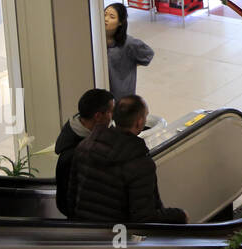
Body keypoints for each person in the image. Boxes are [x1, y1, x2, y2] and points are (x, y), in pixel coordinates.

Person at [70, 94, 187, 224]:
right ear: (139, 122)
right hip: (119, 237)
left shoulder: (84, 147)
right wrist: (179, 216)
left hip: (87, 233)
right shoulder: (140, 164)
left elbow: (71, 198)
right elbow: (144, 218)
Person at [54, 88, 114, 217]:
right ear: (98, 116)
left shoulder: (103, 133)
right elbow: (66, 202)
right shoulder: (71, 155)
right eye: (111, 112)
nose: (113, 116)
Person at [104, 2, 155, 101]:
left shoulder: (128, 43)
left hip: (121, 95)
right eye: (104, 14)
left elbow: (148, 54)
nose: (106, 19)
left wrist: (128, 65)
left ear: (120, 22)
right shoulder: (96, 40)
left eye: (112, 17)